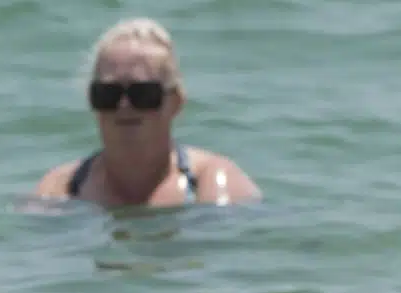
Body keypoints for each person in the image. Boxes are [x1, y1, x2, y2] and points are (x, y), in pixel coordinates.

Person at [33, 18, 261, 209]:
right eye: (107, 94)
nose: (123, 106)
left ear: (175, 103)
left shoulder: (209, 182)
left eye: (142, 94)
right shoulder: (63, 187)